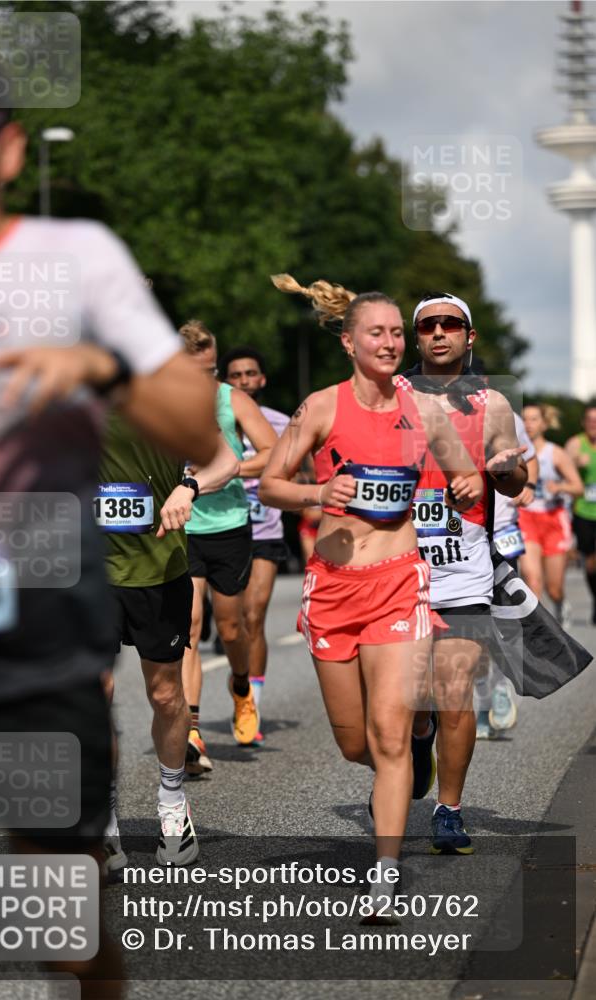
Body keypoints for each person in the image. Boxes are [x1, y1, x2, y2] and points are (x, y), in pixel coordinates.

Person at [0, 27, 219, 999]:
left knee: (58, 930)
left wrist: (101, 367)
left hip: (32, 630)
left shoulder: (72, 258)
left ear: (6, 148)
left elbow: (193, 422)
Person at [259, 274, 483, 912]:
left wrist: (465, 485)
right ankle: (416, 747)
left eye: (393, 333)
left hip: (398, 584)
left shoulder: (423, 409)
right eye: (376, 333)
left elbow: (461, 474)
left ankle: (384, 876)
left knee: (385, 737)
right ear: (349, 343)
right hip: (333, 590)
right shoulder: (321, 408)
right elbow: (273, 483)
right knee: (356, 743)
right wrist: (315, 494)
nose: (389, 343)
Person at [401, 292, 528, 855]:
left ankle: (449, 811)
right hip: (397, 569)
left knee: (457, 691)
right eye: (428, 325)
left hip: (465, 569)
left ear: (469, 337)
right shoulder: (390, 397)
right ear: (415, 337)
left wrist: (504, 471)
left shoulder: (492, 403)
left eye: (451, 324)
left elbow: (514, 473)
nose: (439, 333)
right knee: (409, 698)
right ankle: (418, 731)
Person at [99, 412, 238, 871]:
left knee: (164, 694)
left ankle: (173, 802)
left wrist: (190, 486)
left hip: (158, 571)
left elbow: (225, 461)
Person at [179, 322, 277, 771]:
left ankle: (241, 687)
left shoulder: (230, 399)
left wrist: (227, 470)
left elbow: (273, 452)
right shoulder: (166, 399)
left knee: (231, 628)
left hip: (230, 525)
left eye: (211, 370)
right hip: (183, 526)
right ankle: (192, 731)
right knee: (190, 625)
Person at [220, 346, 290, 742]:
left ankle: (252, 706)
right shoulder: (214, 418)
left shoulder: (281, 423)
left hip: (265, 533)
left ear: (262, 379)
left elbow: (303, 468)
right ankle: (240, 690)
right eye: (236, 375)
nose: (244, 380)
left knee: (253, 616)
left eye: (251, 374)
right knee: (229, 626)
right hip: (222, 531)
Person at [475, 411, 538, 739]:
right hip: (459, 536)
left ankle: (499, 689)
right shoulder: (428, 408)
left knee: (498, 622)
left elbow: (530, 457)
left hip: (502, 531)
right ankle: (483, 700)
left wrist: (529, 486)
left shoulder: (503, 414)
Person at [518, 404, 583, 626]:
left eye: (534, 419)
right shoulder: (516, 451)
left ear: (544, 424)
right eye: (524, 419)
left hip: (553, 519)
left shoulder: (555, 453)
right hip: (525, 519)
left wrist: (560, 488)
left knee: (554, 587)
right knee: (533, 579)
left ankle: (560, 603)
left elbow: (578, 487)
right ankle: (536, 631)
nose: (528, 424)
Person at [565, 404, 596, 626]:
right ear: (583, 423)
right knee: (592, 564)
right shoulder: (576, 444)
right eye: (590, 420)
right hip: (583, 511)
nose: (593, 424)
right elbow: (561, 471)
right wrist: (575, 463)